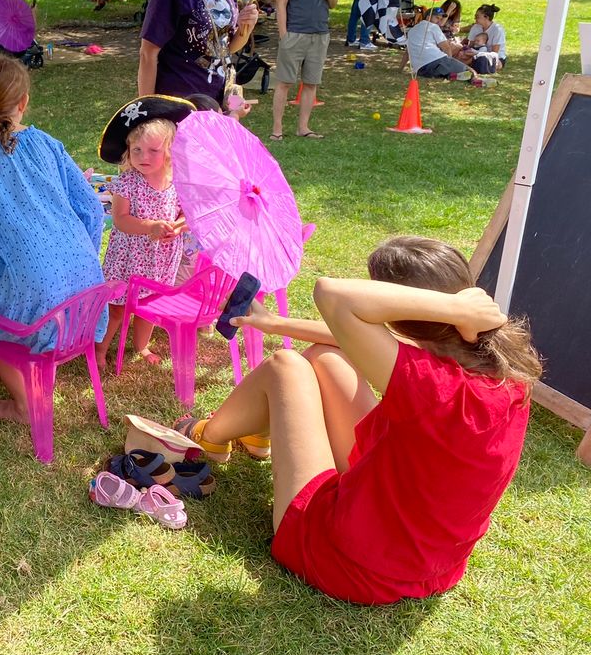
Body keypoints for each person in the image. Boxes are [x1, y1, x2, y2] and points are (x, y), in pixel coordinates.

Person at [176, 236, 539, 605]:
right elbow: (350, 337)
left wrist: (454, 308)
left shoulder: (434, 387)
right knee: (326, 357)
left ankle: (210, 435)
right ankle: (254, 436)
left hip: (351, 566)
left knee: (286, 368)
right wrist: (274, 323)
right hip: (425, 561)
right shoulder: (503, 373)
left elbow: (331, 295)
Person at [0, 55, 106, 425]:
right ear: (24, 101)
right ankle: (38, 373)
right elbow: (93, 210)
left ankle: (26, 404)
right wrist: (78, 259)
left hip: (40, 285)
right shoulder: (48, 143)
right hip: (86, 285)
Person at [95, 97, 192, 367]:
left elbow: (187, 213)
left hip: (160, 260)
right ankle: (100, 349)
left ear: (171, 150)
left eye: (152, 150)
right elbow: (120, 220)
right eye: (136, 150)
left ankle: (141, 346)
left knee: (149, 306)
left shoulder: (177, 181)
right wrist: (150, 227)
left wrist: (179, 225)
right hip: (127, 259)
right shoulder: (127, 181)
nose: (143, 157)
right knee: (116, 308)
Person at [272, 0, 338, 140]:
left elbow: (333, 4)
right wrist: (284, 35)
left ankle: (304, 127)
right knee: (284, 82)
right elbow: (281, 4)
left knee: (311, 83)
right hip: (295, 32)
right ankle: (277, 129)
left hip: (320, 33)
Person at [405, 8, 468, 78]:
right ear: (428, 17)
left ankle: (449, 74)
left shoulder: (412, 30)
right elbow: (446, 48)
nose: (439, 21)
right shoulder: (433, 27)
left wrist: (400, 68)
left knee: (449, 70)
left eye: (441, 19)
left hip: (420, 70)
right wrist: (449, 62)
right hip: (435, 62)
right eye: (437, 18)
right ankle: (476, 78)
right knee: (468, 70)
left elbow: (407, 52)